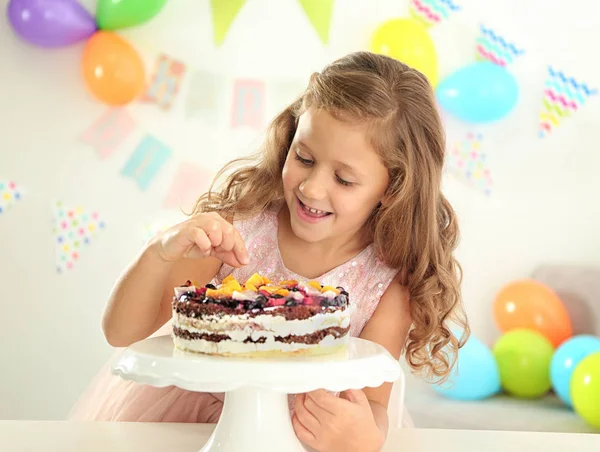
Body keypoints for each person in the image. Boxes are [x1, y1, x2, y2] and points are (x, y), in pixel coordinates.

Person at [68, 51, 469, 452]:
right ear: (290, 137)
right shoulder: (238, 226)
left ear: (393, 188)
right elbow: (119, 332)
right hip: (194, 427)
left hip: (302, 438)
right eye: (304, 158)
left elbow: (374, 405)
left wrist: (363, 436)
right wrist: (159, 252)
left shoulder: (388, 281)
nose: (311, 188)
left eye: (344, 179)